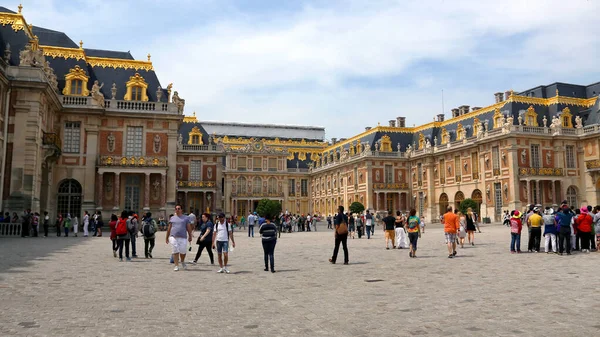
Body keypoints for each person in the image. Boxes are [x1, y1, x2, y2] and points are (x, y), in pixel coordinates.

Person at [166, 205, 193, 271]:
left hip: (183, 237)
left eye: (179, 209)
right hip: (173, 237)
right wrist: (167, 237)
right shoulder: (172, 218)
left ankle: (182, 261)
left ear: (181, 210)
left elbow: (188, 228)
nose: (177, 210)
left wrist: (190, 236)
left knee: (183, 251)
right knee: (175, 250)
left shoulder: (186, 218)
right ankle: (176, 265)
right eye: (176, 209)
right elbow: (169, 228)